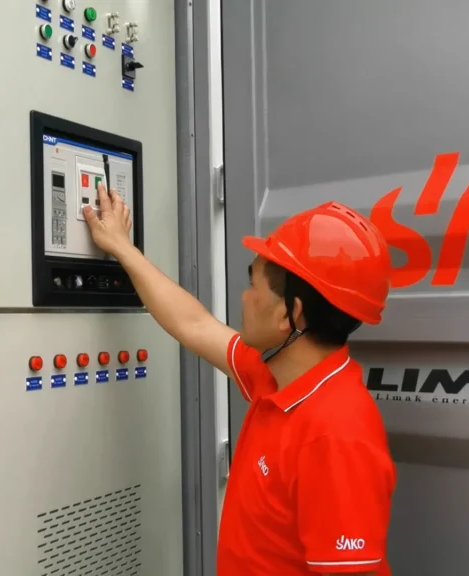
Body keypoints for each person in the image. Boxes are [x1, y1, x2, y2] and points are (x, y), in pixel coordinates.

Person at [84, 183, 396, 576]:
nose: (244, 298)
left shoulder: (335, 433)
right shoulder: (279, 376)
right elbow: (193, 324)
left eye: (254, 285)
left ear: (290, 314)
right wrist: (123, 249)